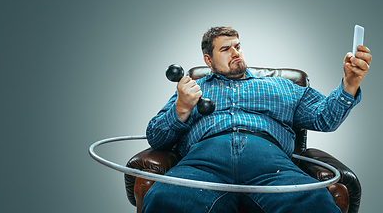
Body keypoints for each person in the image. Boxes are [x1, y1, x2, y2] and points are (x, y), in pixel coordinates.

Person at [142, 26, 372, 213]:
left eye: (238, 46)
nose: (236, 53)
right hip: (202, 163)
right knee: (165, 200)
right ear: (208, 60)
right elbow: (156, 138)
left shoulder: (283, 87)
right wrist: (181, 108)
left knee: (314, 204)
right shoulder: (191, 89)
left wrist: (349, 84)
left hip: (272, 167)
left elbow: (325, 118)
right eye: (225, 49)